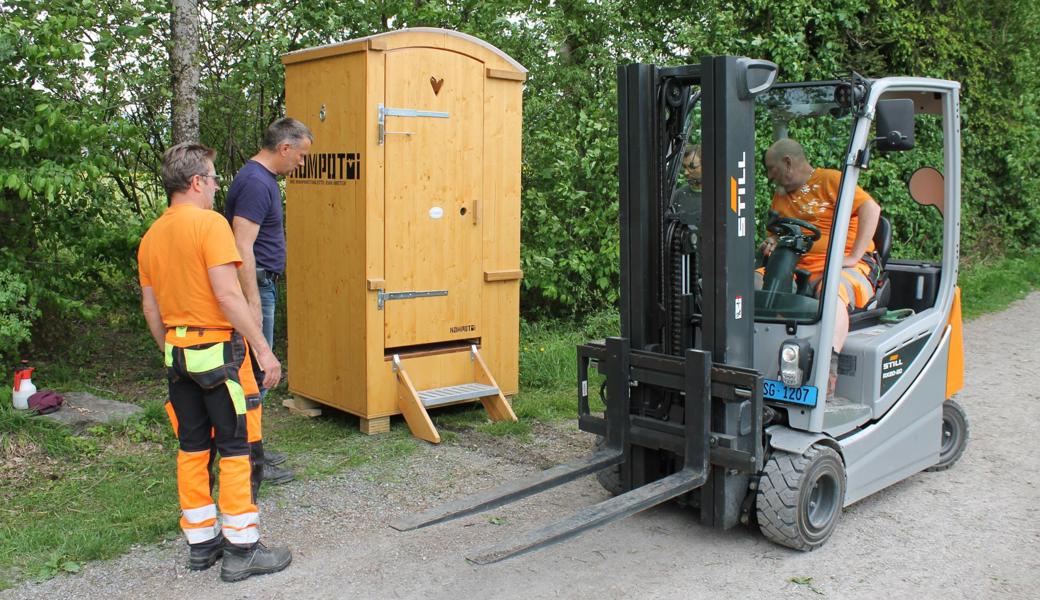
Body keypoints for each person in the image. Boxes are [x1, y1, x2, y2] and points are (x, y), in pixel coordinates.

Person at [138, 142, 292, 581]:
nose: (215, 187)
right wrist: (262, 348)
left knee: (191, 448)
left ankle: (202, 544)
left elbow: (152, 311)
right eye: (212, 179)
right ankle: (243, 549)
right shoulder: (210, 225)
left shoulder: (151, 237)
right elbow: (227, 295)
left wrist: (172, 349)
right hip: (220, 356)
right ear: (196, 182)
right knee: (237, 449)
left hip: (178, 355)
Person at [224, 118, 313, 486]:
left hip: (262, 285)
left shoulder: (259, 180)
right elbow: (241, 245)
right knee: (257, 370)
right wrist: (253, 303)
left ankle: (252, 448)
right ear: (285, 148)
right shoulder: (257, 183)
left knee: (256, 374)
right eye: (302, 156)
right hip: (256, 287)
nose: (302, 164)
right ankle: (248, 458)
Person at [760, 138, 881, 394]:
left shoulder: (830, 180)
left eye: (772, 169)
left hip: (843, 267)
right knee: (751, 285)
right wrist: (770, 243)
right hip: (795, 264)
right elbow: (775, 233)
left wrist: (852, 257)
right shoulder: (780, 197)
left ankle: (827, 367)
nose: (770, 176)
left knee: (830, 293)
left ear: (788, 163)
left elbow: (871, 208)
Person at [671, 144, 703, 229]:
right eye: (684, 167)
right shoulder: (677, 196)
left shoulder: (722, 196)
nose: (686, 173)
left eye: (692, 167)